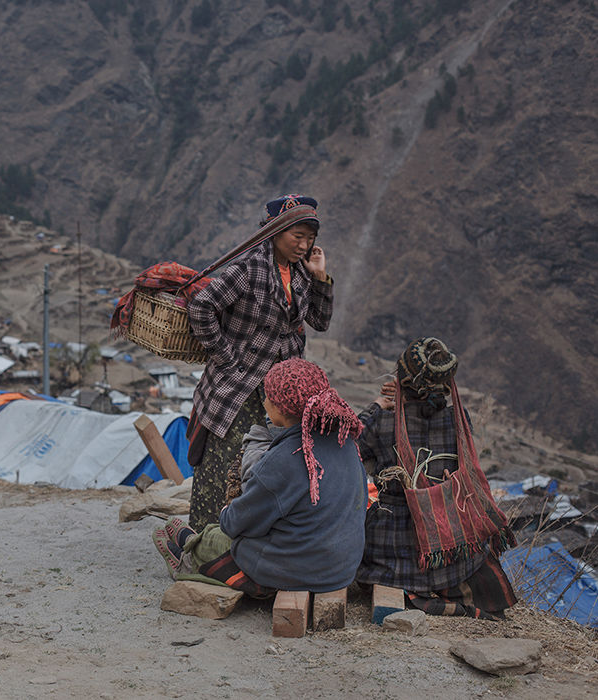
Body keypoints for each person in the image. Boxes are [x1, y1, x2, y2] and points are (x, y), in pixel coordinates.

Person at [153, 359, 367, 595]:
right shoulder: (345, 439)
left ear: (281, 410)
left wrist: (228, 510)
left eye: (267, 397)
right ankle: (190, 540)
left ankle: (188, 557)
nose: (263, 402)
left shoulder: (284, 459)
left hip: (300, 572)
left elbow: (235, 524)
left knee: (221, 537)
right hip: (342, 568)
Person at [186, 194, 334, 530]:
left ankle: (250, 540)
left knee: (270, 462)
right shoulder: (248, 267)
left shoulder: (301, 272)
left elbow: (320, 320)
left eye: (309, 239)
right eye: (297, 236)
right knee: (227, 461)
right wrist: (226, 356)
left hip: (281, 392)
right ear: (275, 232)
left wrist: (321, 278)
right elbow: (201, 307)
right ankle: (204, 539)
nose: (303, 245)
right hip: (239, 385)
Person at [355, 337, 517, 620]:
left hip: (389, 557)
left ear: (402, 377)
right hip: (449, 552)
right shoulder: (458, 420)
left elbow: (350, 448)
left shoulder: (382, 421)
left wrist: (377, 405)